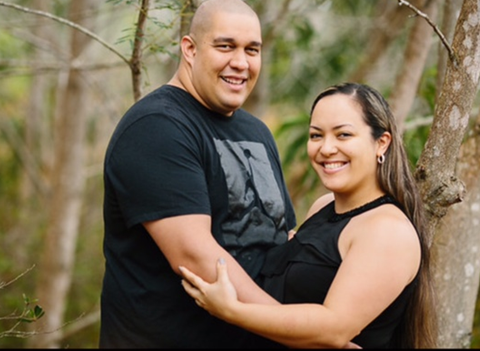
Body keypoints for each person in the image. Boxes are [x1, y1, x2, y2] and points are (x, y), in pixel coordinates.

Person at [99, 0, 297, 348]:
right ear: (189, 50)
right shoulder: (156, 127)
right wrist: (296, 331)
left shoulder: (257, 132)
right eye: (225, 46)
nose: (240, 62)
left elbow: (281, 235)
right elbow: (196, 256)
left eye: (252, 50)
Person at [180, 82, 439, 349]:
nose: (326, 148)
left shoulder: (387, 230)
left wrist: (232, 311)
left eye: (343, 135)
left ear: (381, 143)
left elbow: (332, 328)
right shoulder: (324, 207)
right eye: (316, 135)